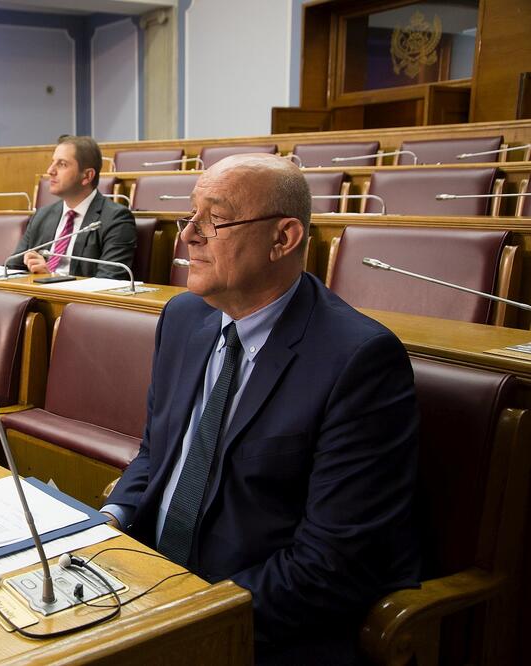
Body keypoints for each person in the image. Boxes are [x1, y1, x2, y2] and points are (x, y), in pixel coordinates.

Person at [102, 153, 420, 663]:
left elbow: (331, 567)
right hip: (145, 582)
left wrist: (189, 616)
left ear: (284, 238)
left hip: (255, 625)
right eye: (191, 216)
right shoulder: (184, 318)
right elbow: (158, 453)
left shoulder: (358, 361)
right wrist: (110, 518)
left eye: (216, 219)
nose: (189, 236)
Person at [0, 135, 136, 279]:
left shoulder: (115, 219)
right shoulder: (43, 215)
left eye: (62, 164)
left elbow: (110, 282)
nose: (50, 171)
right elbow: (12, 268)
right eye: (52, 162)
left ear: (87, 176)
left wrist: (53, 276)